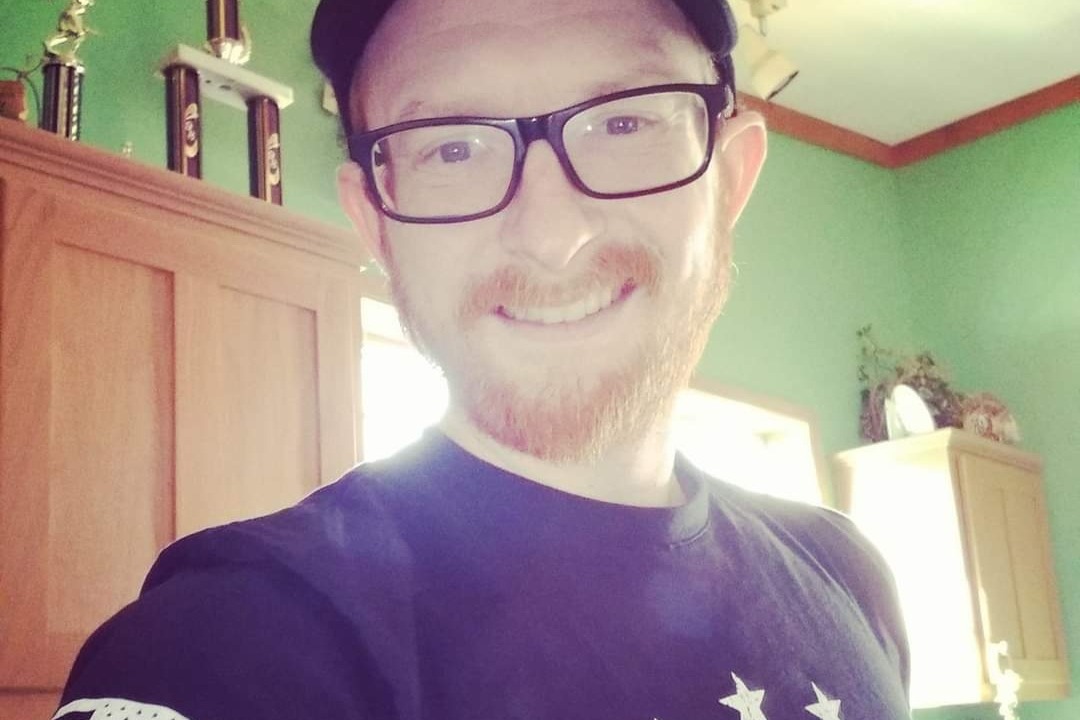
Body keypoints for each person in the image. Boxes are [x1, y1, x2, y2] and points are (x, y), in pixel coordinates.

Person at [53, 0, 911, 718]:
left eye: (623, 121)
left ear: (729, 179)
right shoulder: (231, 635)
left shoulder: (846, 574)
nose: (551, 234)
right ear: (374, 221)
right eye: (452, 147)